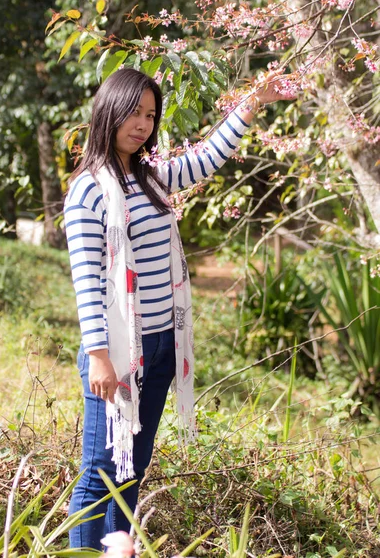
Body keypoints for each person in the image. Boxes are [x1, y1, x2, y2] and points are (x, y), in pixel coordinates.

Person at [64, 67, 296, 550]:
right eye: (133, 111)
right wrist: (100, 355)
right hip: (118, 353)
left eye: (150, 115)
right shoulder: (87, 191)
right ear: (109, 111)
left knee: (132, 468)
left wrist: (252, 102)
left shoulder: (149, 177)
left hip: (162, 346)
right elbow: (86, 280)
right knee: (100, 470)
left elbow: (207, 157)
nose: (142, 124)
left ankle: (117, 550)